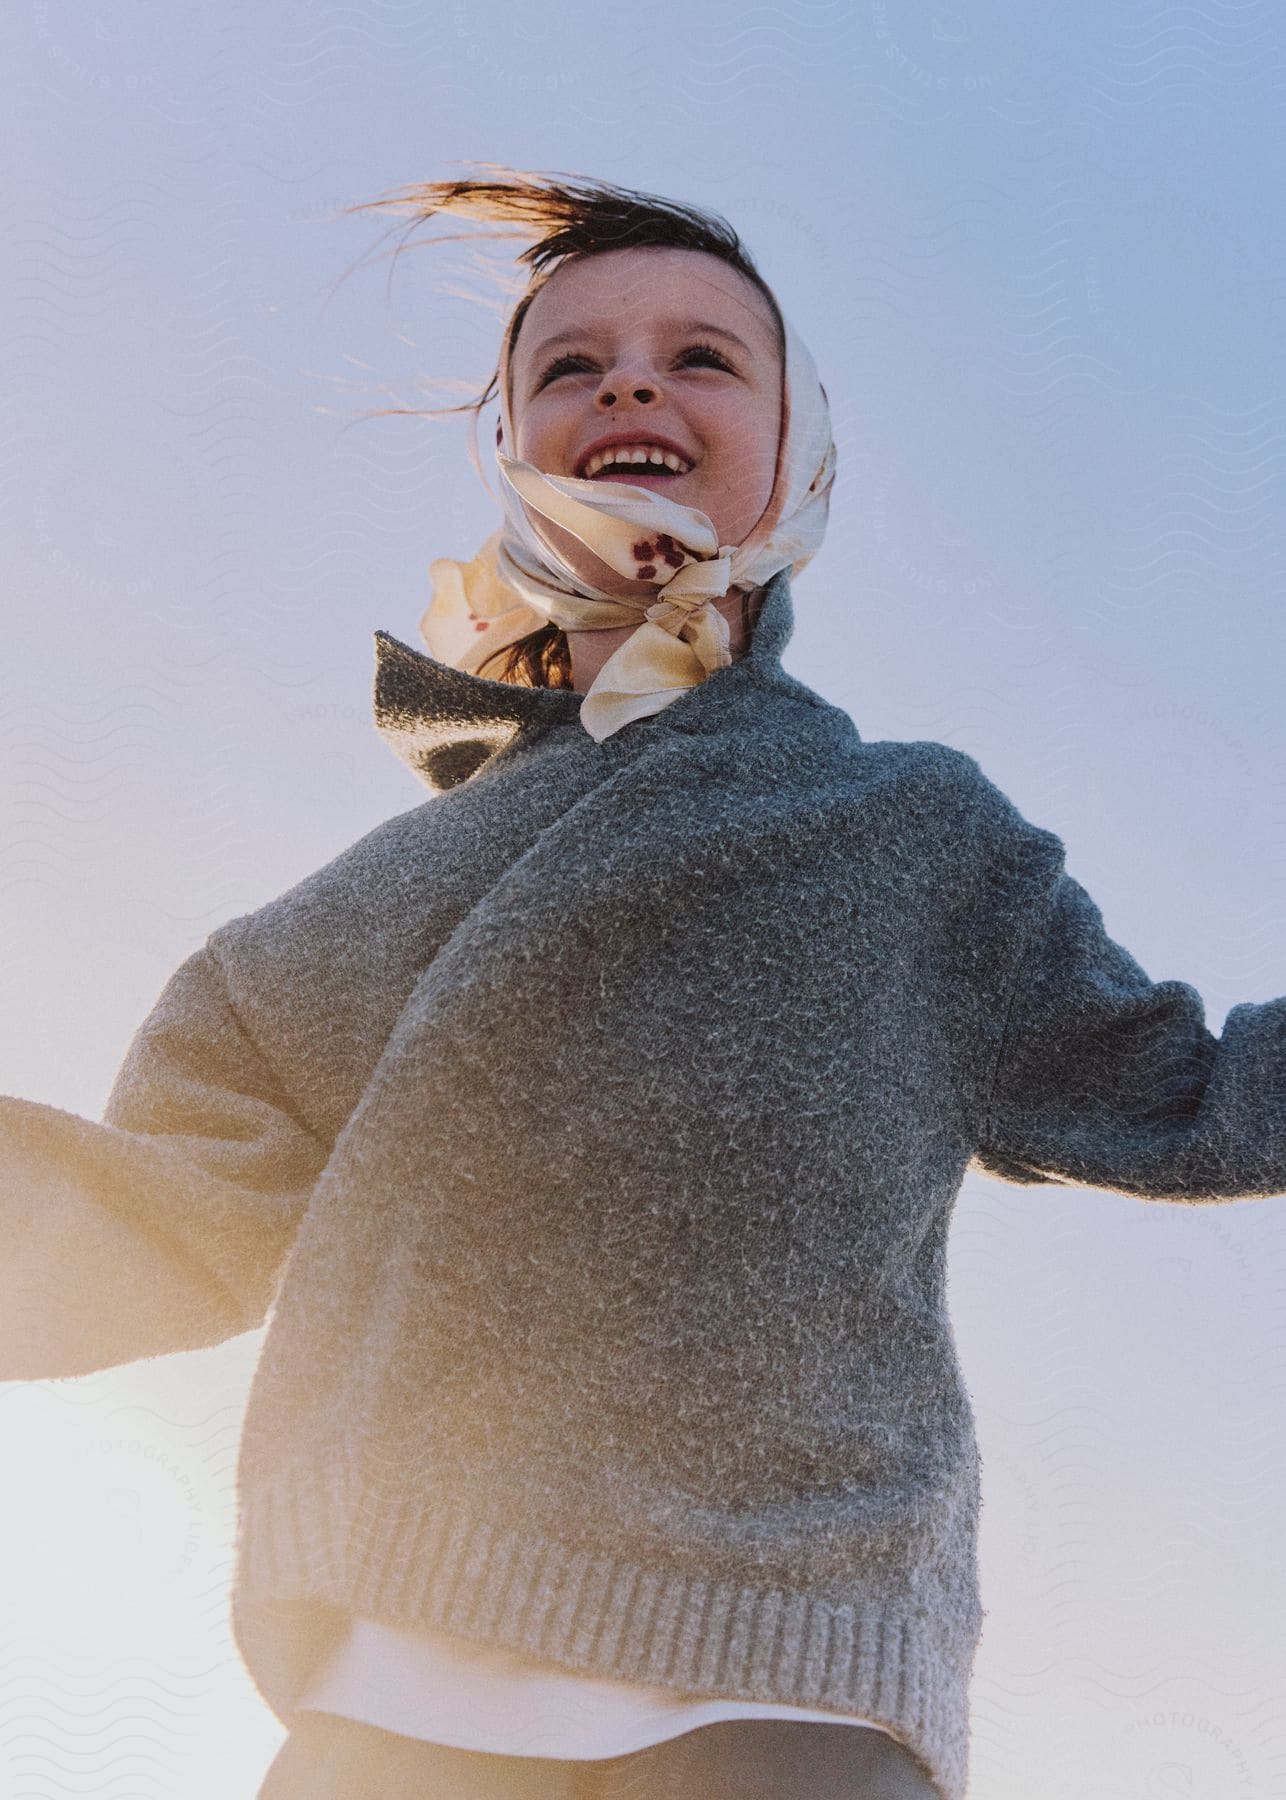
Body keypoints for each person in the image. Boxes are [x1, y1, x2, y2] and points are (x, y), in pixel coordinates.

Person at [2, 167, 1282, 1800]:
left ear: (800, 455)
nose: (631, 382)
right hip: (399, 1694)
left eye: (703, 357)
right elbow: (146, 1221)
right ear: (513, 455)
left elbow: (1192, 1097)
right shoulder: (342, 926)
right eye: (569, 365)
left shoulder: (912, 832)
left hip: (800, 1681)